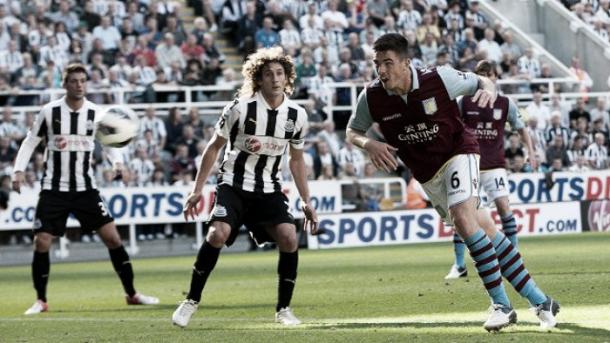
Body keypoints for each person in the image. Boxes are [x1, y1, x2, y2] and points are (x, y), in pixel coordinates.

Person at [345, 34, 558, 331]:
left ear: (407, 63)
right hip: (429, 175)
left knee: (462, 215)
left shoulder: (439, 79)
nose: (381, 70)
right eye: (377, 64)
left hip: (460, 151)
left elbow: (481, 81)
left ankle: (501, 305)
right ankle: (541, 301)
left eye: (388, 63)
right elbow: (352, 131)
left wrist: (489, 88)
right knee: (485, 230)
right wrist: (368, 143)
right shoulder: (371, 97)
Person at [172, 47, 319, 328]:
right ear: (258, 79)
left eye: (280, 73)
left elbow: (297, 161)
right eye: (268, 74)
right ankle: (191, 301)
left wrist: (306, 200)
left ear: (287, 77)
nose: (275, 79)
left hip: (269, 188)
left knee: (289, 237)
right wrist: (197, 189)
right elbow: (213, 149)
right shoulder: (240, 108)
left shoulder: (297, 115)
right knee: (218, 233)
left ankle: (284, 310)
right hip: (234, 184)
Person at [11, 63, 159, 315]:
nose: (79, 85)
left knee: (112, 238)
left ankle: (132, 294)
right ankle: (41, 300)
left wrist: (118, 164)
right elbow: (29, 142)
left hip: (86, 189)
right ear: (64, 84)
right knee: (42, 241)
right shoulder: (50, 112)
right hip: (54, 188)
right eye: (74, 81)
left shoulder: (97, 114)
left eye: (83, 81)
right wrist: (18, 170)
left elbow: (109, 143)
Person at [446, 60, 538, 279]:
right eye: (481, 73)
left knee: (504, 206)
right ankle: (459, 265)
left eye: (490, 74)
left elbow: (521, 128)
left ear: (496, 78)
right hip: (468, 164)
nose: (487, 77)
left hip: (495, 164)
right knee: (461, 213)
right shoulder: (463, 102)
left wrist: (531, 152)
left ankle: (514, 257)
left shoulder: (506, 103)